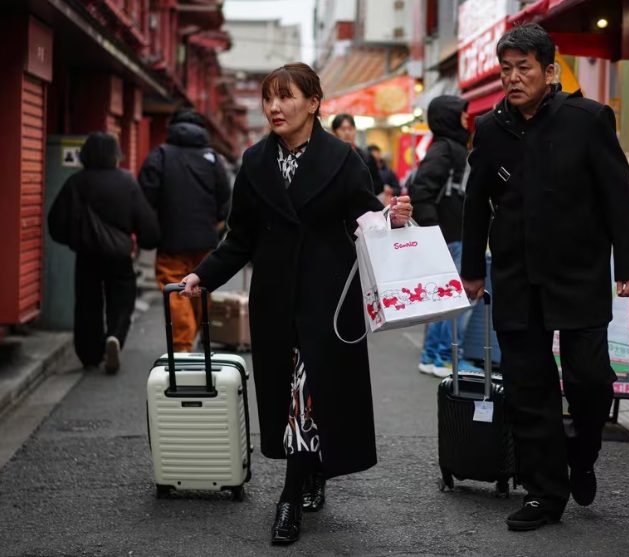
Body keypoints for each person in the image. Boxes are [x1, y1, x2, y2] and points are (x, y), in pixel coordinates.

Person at [177, 63, 413, 545]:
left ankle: (288, 499)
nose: (274, 107)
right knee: (291, 395)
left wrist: (394, 218)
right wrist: (204, 274)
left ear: (313, 102)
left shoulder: (344, 159)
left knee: (305, 393)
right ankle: (312, 470)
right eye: (268, 99)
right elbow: (239, 237)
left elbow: (366, 220)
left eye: (285, 97)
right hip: (275, 299)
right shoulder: (255, 161)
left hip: (327, 301)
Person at [460, 24, 629, 531]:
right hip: (517, 276)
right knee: (528, 387)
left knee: (590, 379)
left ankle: (582, 452)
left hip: (579, 272)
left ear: (549, 70)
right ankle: (545, 493)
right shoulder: (491, 127)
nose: (513, 78)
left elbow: (618, 198)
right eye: (506, 69)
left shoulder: (587, 119)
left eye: (524, 68)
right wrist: (473, 269)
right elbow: (476, 204)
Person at [47, 132, 160, 373]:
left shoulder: (76, 182)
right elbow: (147, 225)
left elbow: (55, 223)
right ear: (115, 155)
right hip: (119, 255)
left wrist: (75, 240)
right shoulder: (127, 182)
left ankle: (89, 355)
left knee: (88, 302)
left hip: (87, 255)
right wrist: (145, 240)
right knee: (122, 298)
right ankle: (115, 337)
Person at [138, 108, 231, 352]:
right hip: (206, 239)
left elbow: (145, 195)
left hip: (170, 240)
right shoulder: (212, 158)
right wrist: (217, 224)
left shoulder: (160, 155)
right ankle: (195, 336)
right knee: (201, 287)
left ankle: (182, 346)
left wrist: (153, 228)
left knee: (176, 289)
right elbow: (226, 197)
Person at [409, 95, 478, 377]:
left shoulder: (450, 147)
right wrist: (433, 229)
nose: (466, 120)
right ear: (448, 117)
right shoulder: (445, 148)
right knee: (453, 301)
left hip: (450, 235)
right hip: (448, 236)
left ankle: (436, 357)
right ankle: (444, 358)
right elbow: (420, 188)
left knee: (444, 299)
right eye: (461, 115)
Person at [331, 113, 385, 196]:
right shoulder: (328, 156)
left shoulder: (366, 156)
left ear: (355, 131)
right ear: (334, 132)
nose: (347, 132)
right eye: (343, 129)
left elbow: (378, 185)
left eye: (350, 129)